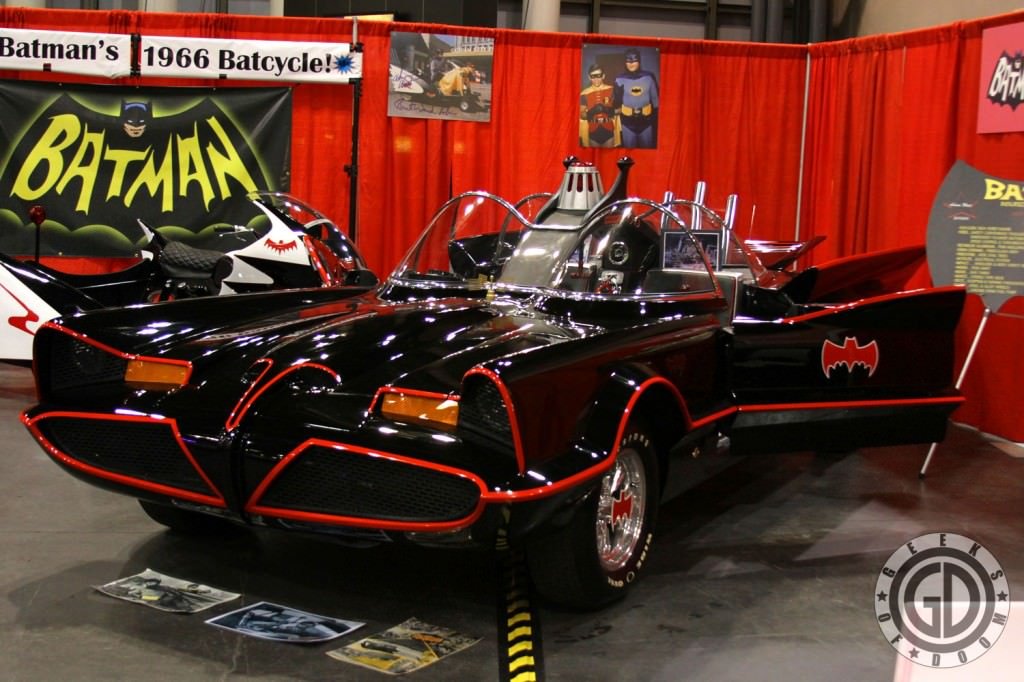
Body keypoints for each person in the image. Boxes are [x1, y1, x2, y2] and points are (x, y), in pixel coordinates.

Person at [613, 49, 659, 149]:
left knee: (647, 154)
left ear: (639, 61)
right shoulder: (619, 79)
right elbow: (615, 104)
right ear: (625, 62)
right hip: (627, 124)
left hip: (646, 123)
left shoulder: (649, 77)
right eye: (628, 61)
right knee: (629, 155)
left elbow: (656, 102)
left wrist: (655, 122)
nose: (631, 63)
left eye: (634, 60)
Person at [579, 63, 620, 148]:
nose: (596, 79)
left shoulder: (612, 90)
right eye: (593, 76)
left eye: (599, 75)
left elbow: (620, 109)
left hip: (608, 130)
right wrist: (591, 112)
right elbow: (582, 115)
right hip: (593, 131)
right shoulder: (584, 93)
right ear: (589, 77)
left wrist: (610, 110)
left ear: (603, 76)